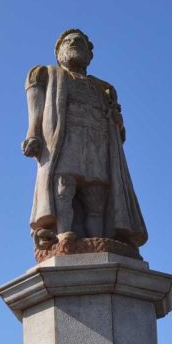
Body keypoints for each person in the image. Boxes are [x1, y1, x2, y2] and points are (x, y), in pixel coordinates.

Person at [22, 29, 147, 252]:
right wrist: (32, 134)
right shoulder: (46, 74)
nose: (73, 44)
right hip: (64, 139)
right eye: (68, 42)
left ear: (90, 55)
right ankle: (64, 233)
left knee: (96, 192)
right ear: (58, 53)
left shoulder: (103, 89)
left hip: (97, 140)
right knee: (64, 185)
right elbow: (36, 110)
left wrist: (117, 123)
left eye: (79, 42)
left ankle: (97, 238)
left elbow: (120, 133)